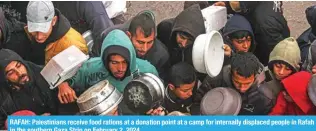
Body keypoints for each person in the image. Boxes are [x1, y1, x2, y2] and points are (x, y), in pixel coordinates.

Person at [57, 29, 158, 105]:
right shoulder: (90, 68)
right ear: (106, 61)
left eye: (125, 62)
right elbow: (69, 80)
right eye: (114, 63)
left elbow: (158, 96)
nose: (121, 68)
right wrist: (63, 85)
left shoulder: (147, 71)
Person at [94, 11, 170, 81]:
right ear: (129, 35)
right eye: (140, 42)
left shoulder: (161, 55)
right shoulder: (108, 37)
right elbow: (94, 60)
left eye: (150, 42)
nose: (145, 48)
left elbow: (159, 81)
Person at [193, 52, 274, 115]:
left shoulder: (265, 96)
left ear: (255, 77)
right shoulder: (214, 80)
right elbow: (197, 104)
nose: (242, 88)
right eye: (237, 82)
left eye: (247, 83)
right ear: (230, 73)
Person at [212, 1, 290, 66]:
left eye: (248, 40)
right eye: (240, 41)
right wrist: (230, 5)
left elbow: (275, 56)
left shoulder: (264, 25)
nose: (245, 46)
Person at [0, 49, 58, 129]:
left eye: (19, 66)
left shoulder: (42, 73)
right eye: (11, 73)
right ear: (4, 79)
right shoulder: (3, 99)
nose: (20, 73)